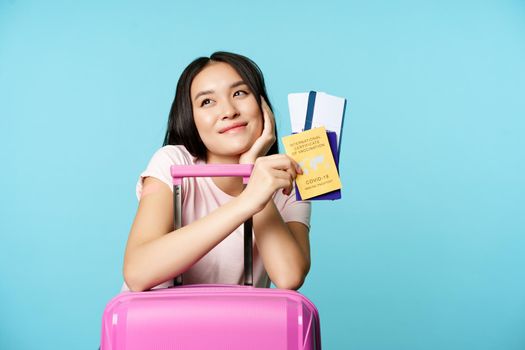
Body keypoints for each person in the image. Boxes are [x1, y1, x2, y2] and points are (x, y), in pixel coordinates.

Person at [121, 51, 311, 292]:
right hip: (158, 326)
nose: (229, 111)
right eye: (207, 102)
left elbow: (289, 276)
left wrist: (251, 173)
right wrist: (249, 200)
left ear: (263, 105)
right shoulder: (172, 164)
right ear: (190, 119)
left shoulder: (287, 180)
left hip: (238, 327)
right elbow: (137, 272)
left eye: (240, 93)